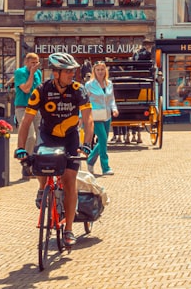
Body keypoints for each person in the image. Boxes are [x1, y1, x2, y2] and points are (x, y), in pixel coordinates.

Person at [15, 52, 94, 249]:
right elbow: (25, 122)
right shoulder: (40, 91)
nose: (72, 74)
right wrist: (20, 149)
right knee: (39, 164)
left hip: (70, 138)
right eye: (67, 71)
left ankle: (68, 229)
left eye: (73, 71)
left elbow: (88, 118)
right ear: (56, 73)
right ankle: (43, 188)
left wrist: (87, 144)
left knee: (69, 182)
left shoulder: (79, 90)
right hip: (48, 135)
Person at [84, 61, 118, 176]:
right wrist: (81, 116)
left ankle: (90, 160)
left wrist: (114, 109)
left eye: (102, 69)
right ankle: (105, 167)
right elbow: (84, 101)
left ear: (105, 71)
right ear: (94, 71)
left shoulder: (109, 84)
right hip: (95, 115)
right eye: (98, 70)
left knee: (103, 141)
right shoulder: (89, 85)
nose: (100, 72)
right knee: (103, 139)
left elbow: (111, 98)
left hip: (107, 115)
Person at [14, 52, 44, 171]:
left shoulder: (39, 73)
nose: (35, 65)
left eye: (36, 63)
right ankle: (26, 164)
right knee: (30, 136)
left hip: (36, 108)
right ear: (26, 62)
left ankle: (35, 162)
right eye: (32, 63)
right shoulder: (20, 72)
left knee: (41, 136)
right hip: (23, 107)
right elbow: (26, 89)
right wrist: (31, 73)